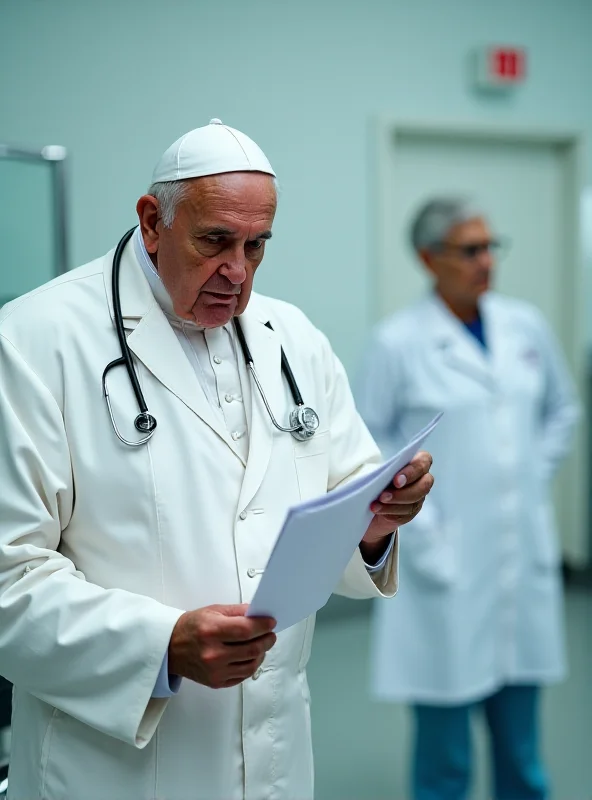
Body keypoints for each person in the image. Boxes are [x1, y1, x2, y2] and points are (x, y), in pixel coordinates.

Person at [0, 119, 434, 800]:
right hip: (109, 768)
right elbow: (8, 575)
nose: (238, 273)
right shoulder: (35, 340)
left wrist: (378, 524)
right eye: (215, 242)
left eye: (257, 246)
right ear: (152, 222)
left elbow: (340, 502)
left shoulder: (291, 337)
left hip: (274, 754)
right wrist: (160, 643)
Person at [356, 197, 579, 800]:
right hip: (440, 559)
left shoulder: (525, 326)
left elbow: (562, 410)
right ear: (429, 258)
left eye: (490, 246)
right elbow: (367, 443)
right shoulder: (397, 343)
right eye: (469, 249)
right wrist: (423, 534)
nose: (486, 261)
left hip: (519, 552)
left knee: (523, 751)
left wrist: (531, 473)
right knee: (446, 757)